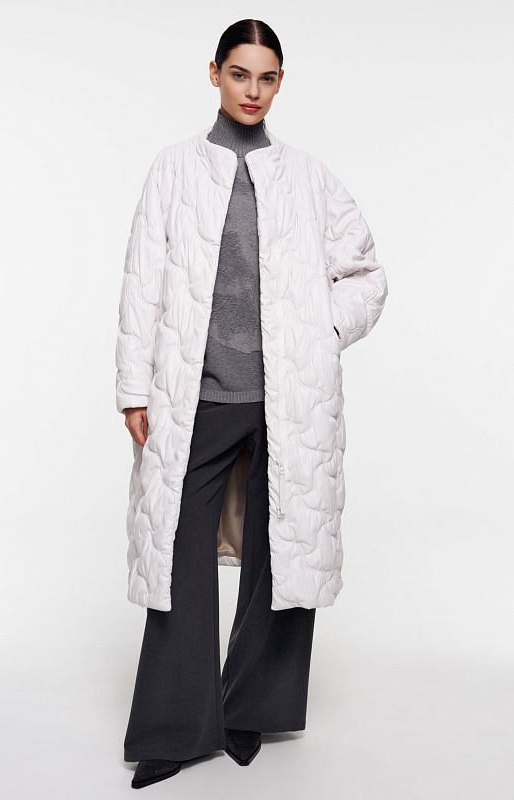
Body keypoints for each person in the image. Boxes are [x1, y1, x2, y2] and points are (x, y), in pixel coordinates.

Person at [115, 18, 388, 790]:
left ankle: (248, 713)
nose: (252, 91)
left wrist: (320, 331)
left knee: (282, 553)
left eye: (266, 78)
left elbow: (365, 274)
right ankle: (176, 727)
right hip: (196, 396)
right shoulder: (174, 169)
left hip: (288, 399)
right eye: (239, 74)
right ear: (214, 73)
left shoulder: (307, 176)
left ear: (279, 83)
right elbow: (142, 279)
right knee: (176, 556)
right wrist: (133, 387)